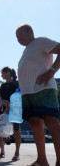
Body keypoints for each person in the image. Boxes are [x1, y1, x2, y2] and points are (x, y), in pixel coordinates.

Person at [16, 24, 60, 166]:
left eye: (20, 34)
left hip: (43, 89)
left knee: (51, 122)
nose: (18, 38)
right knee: (34, 123)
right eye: (16, 36)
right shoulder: (27, 50)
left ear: (30, 32)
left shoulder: (40, 41)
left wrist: (51, 71)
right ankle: (42, 160)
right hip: (28, 92)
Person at [0, 67, 22, 160]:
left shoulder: (16, 83)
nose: (1, 75)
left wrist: (8, 106)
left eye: (3, 73)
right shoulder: (3, 85)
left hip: (15, 109)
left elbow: (18, 96)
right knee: (0, 129)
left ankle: (17, 154)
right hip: (4, 110)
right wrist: (5, 106)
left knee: (16, 130)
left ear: (8, 73)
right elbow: (0, 98)